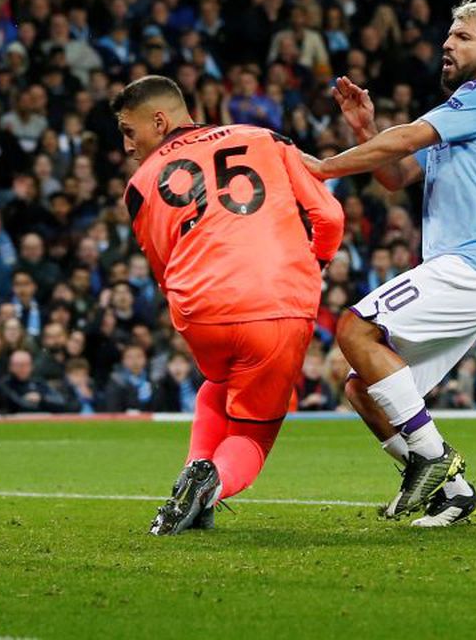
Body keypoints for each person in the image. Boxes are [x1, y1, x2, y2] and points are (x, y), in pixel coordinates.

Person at [303, 1, 476, 527]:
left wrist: (323, 169)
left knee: (355, 327)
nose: (447, 44)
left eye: (462, 37)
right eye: (448, 36)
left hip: (467, 266)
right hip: (471, 275)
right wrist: (365, 128)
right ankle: (453, 492)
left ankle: (434, 457)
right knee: (361, 385)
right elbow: (398, 174)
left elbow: (404, 140)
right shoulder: (464, 115)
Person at [114, 75, 343, 535]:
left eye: (128, 131)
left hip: (201, 313)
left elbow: (165, 270)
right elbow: (329, 216)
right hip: (278, 303)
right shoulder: (263, 138)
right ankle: (210, 484)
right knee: (253, 435)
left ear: (159, 122)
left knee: (217, 385)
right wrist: (310, 263)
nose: (126, 146)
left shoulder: (138, 187)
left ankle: (194, 476)